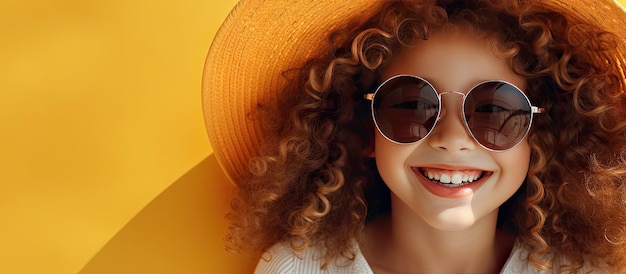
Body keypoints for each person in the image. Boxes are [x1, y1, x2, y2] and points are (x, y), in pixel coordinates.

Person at [203, 0, 626, 273]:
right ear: (365, 127)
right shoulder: (298, 269)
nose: (452, 138)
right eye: (410, 105)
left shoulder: (579, 273)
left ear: (539, 136)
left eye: (496, 110)